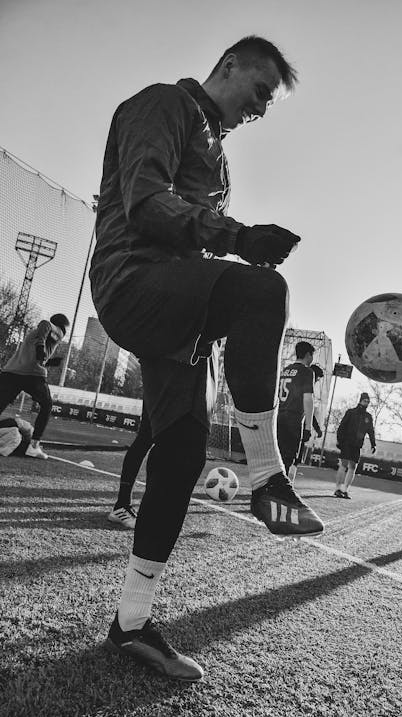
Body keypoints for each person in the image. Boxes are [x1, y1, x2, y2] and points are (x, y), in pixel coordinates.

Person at [89, 36, 324, 682]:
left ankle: (131, 623)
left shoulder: (218, 157)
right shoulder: (163, 104)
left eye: (270, 101)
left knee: (184, 453)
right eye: (260, 92)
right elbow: (146, 201)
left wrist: (229, 250)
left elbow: (197, 239)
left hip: (180, 309)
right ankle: (267, 479)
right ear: (228, 67)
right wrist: (238, 238)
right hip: (133, 281)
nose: (263, 108)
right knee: (262, 290)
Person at [0, 313, 69, 459]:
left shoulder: (35, 335)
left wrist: (48, 361)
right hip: (32, 374)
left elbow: (36, 358)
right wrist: (40, 348)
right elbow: (45, 324)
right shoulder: (55, 330)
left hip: (11, 372)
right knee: (47, 405)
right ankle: (33, 446)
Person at [107, 405, 152, 530]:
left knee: (148, 438)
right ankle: (122, 505)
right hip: (165, 390)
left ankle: (124, 504)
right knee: (146, 437)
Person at [277, 341, 316, 475]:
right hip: (293, 418)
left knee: (277, 454)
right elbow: (308, 399)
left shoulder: (285, 370)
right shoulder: (307, 372)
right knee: (289, 457)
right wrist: (308, 427)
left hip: (278, 416)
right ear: (307, 355)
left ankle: (270, 485)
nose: (312, 359)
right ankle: (281, 490)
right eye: (312, 355)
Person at [334, 392, 376, 499]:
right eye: (364, 400)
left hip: (357, 445)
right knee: (343, 464)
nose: (366, 403)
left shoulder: (368, 417)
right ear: (360, 400)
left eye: (368, 401)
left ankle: (345, 490)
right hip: (347, 442)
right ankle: (337, 488)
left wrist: (373, 444)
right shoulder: (351, 412)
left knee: (353, 466)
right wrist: (339, 440)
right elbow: (342, 426)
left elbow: (371, 431)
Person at [290, 362, 324, 480]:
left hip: (287, 422)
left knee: (291, 456)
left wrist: (317, 429)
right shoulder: (304, 387)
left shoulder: (295, 380)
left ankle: (286, 482)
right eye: (317, 379)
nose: (316, 381)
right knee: (293, 457)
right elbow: (307, 409)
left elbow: (309, 412)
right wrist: (309, 428)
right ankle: (287, 483)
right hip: (295, 425)